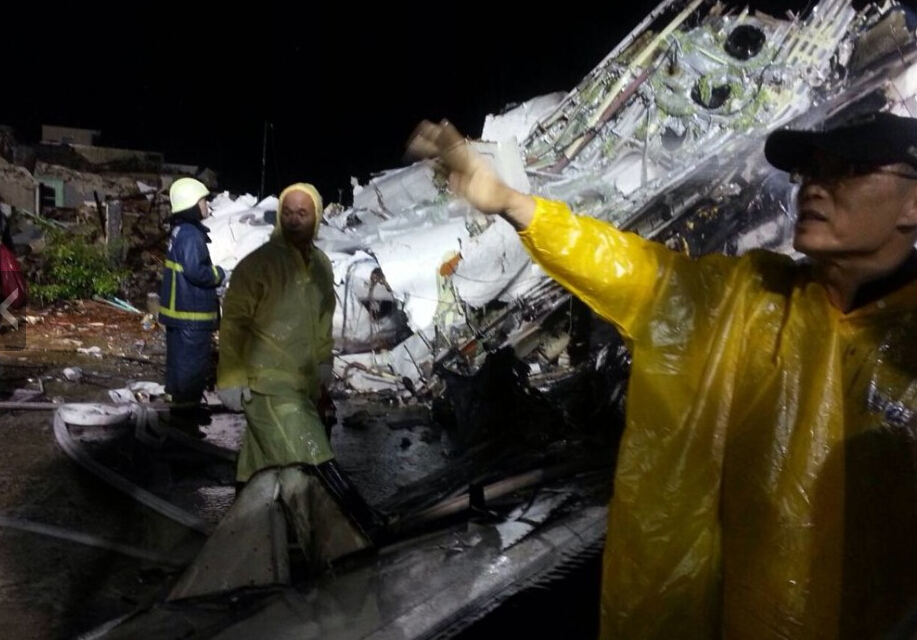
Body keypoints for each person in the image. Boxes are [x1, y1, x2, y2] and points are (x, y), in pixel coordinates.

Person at [406, 111, 917, 640]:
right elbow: (637, 274)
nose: (814, 185)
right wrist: (514, 204)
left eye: (844, 169)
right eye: (811, 170)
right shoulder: (751, 296)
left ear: (914, 202)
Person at [215, 182, 384, 550]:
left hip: (303, 384)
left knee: (261, 466)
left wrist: (324, 364)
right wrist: (231, 377)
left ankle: (249, 543)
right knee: (313, 459)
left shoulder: (321, 266)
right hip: (266, 385)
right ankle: (340, 542)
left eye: (302, 213)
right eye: (287, 213)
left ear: (316, 218)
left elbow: (324, 320)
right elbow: (235, 323)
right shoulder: (259, 265)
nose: (294, 220)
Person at [158, 177, 226, 434]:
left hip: (178, 314)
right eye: (203, 200)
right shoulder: (190, 235)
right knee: (191, 369)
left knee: (177, 367)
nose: (207, 204)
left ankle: (176, 411)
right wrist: (219, 274)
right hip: (192, 316)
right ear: (191, 205)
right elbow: (197, 272)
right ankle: (185, 422)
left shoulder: (179, 231)